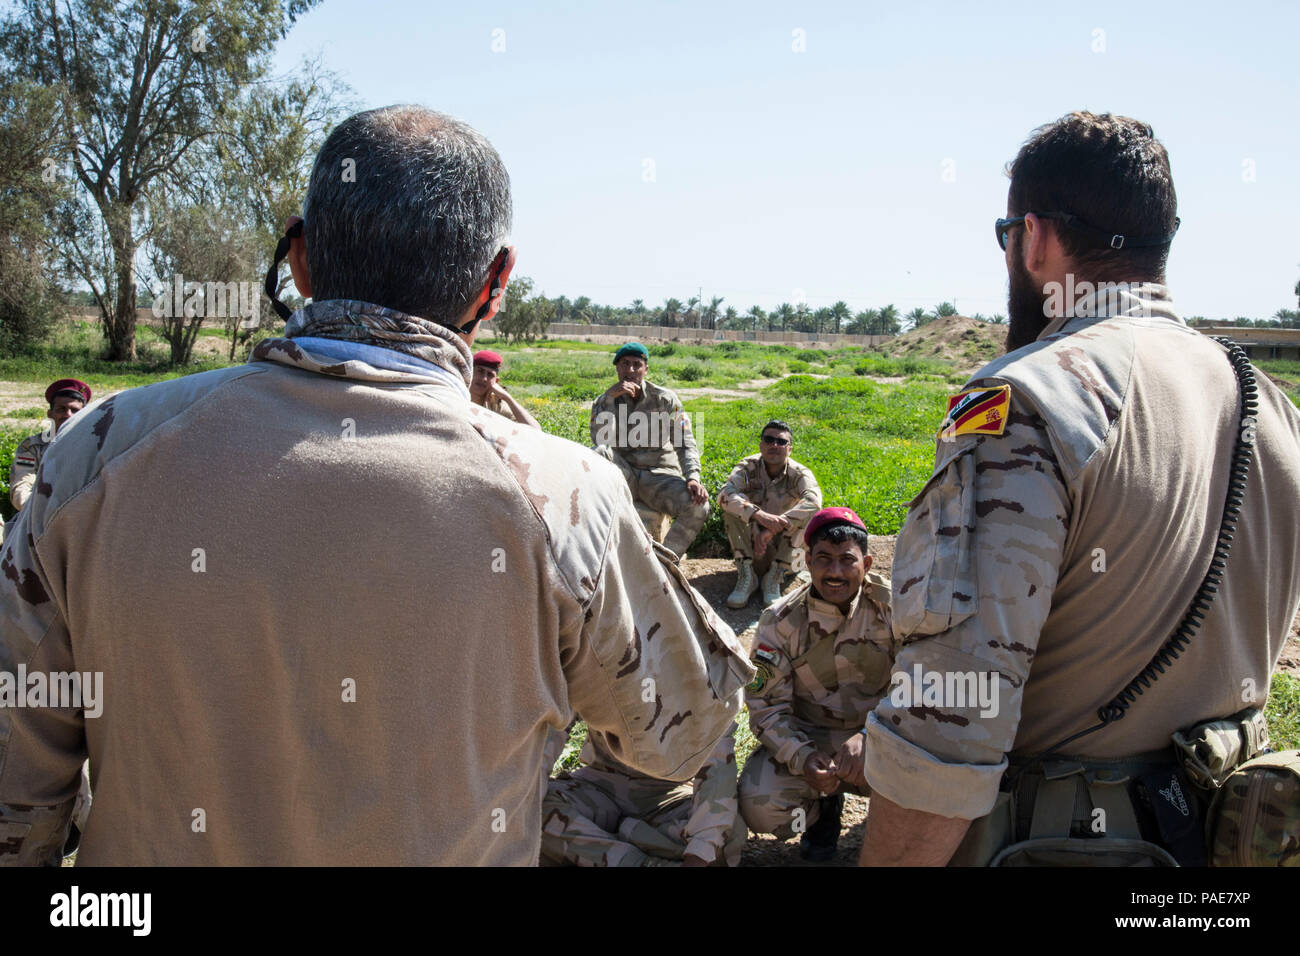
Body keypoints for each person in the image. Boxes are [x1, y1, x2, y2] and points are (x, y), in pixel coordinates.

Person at [0, 105, 753, 866]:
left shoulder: (95, 455)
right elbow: (681, 739)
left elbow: (18, 789)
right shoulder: (567, 497)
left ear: (298, 258)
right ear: (495, 284)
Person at [859, 111, 1300, 867]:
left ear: (1033, 237)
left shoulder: (1030, 400)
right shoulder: (1272, 408)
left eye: (1008, 237)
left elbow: (951, 718)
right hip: (1231, 840)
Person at [739, 507, 894, 862]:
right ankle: (822, 812)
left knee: (936, 781)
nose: (835, 572)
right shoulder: (779, 623)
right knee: (759, 806)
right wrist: (804, 757)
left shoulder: (895, 609)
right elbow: (765, 708)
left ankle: (893, 827)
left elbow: (921, 685)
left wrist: (874, 735)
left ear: (867, 563)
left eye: (847, 560)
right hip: (813, 739)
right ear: (808, 560)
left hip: (886, 738)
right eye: (824, 559)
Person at [540, 723, 744, 867]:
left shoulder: (703, 669)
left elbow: (717, 763)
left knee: (730, 834)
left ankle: (597, 844)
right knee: (531, 808)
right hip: (598, 785)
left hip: (667, 795)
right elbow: (552, 721)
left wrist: (698, 855)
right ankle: (645, 857)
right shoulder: (591, 661)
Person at [589, 343, 709, 558]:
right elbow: (600, 439)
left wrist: (693, 477)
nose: (631, 370)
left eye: (637, 365)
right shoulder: (606, 399)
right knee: (597, 453)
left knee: (698, 506)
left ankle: (665, 562)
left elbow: (686, 441)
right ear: (617, 368)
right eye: (625, 364)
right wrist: (608, 400)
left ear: (646, 369)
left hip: (659, 476)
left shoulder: (665, 399)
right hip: (623, 472)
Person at [718, 420, 823, 608]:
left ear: (789, 449)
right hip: (754, 548)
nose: (774, 445)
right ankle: (746, 576)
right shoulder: (748, 467)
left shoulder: (799, 473)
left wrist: (775, 527)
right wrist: (759, 517)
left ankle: (775, 577)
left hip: (790, 554)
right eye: (769, 439)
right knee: (731, 508)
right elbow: (724, 495)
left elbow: (814, 501)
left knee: (811, 513)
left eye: (781, 442)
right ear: (761, 445)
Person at [7, 379, 91, 512]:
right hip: (37, 516)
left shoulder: (93, 446)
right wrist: (40, 511)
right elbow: (22, 484)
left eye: (74, 410)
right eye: (61, 409)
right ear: (50, 414)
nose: (68, 415)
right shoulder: (32, 447)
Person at [469, 349, 540, 429]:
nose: (484, 378)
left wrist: (507, 398)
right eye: (480, 371)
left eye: (490, 375)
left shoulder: (495, 404)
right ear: (470, 372)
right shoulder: (457, 393)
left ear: (496, 381)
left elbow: (535, 429)